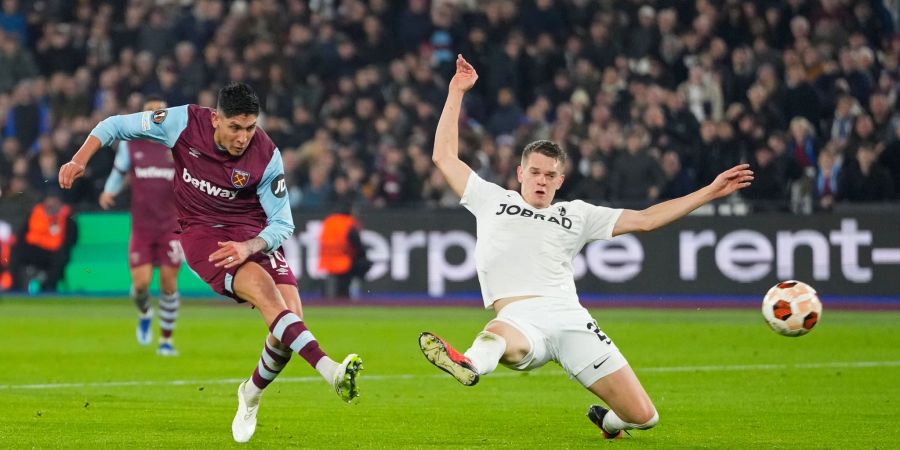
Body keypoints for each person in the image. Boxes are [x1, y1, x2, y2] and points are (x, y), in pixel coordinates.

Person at [418, 55, 754, 440]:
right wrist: (456, 91)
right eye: (534, 172)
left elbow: (646, 219)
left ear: (560, 180)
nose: (541, 181)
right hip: (519, 317)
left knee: (645, 417)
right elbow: (444, 156)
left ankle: (608, 423)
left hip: (571, 318)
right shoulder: (491, 199)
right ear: (519, 173)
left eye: (549, 175)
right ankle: (468, 363)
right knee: (497, 337)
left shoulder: (576, 214)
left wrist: (710, 191)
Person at [58, 82, 363, 443]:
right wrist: (80, 159)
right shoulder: (183, 122)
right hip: (202, 234)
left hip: (251, 235)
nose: (243, 137)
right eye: (235, 127)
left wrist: (250, 245)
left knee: (289, 324)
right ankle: (331, 371)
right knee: (268, 298)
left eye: (250, 128)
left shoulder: (266, 154)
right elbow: (112, 125)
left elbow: (283, 223)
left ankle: (250, 394)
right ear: (216, 119)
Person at [99, 96, 183, 356]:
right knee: (141, 284)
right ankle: (145, 312)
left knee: (169, 284)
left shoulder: (177, 145)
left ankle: (166, 341)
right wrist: (108, 191)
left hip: (171, 226)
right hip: (143, 227)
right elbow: (119, 171)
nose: (156, 117)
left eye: (160, 113)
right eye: (151, 113)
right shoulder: (131, 144)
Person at [9, 188, 77, 293]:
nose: (51, 203)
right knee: (16, 250)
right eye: (49, 200)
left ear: (60, 202)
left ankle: (48, 287)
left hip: (54, 253)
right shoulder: (34, 214)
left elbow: (71, 239)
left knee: (62, 255)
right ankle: (15, 288)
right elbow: (22, 234)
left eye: (55, 200)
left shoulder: (67, 218)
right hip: (35, 250)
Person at [317, 202, 371, 299]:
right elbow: (357, 244)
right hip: (343, 262)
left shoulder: (329, 221)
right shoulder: (348, 222)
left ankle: (328, 295)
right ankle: (353, 292)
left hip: (326, 261)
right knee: (364, 263)